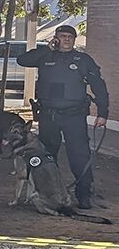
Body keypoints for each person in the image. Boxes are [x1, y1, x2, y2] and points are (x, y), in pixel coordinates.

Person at [18, 24, 109, 209]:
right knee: (47, 156)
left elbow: (99, 86)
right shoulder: (45, 56)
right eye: (63, 36)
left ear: (74, 40)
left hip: (74, 116)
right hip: (48, 115)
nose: (66, 39)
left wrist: (103, 113)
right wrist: (46, 49)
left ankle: (84, 194)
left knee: (79, 156)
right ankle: (50, 192)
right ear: (56, 38)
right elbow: (23, 60)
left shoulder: (83, 60)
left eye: (70, 36)